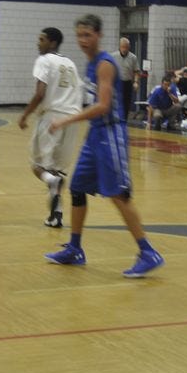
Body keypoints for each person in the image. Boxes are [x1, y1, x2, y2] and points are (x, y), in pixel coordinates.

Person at [45, 14, 165, 278]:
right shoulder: (89, 64)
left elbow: (103, 106)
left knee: (118, 195)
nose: (83, 40)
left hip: (111, 134)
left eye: (87, 35)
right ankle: (75, 249)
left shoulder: (105, 65)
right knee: (77, 188)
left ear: (98, 35)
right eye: (79, 35)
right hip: (95, 135)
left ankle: (148, 252)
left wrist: (65, 120)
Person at [18, 27, 83, 228]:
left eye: (42, 39)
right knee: (58, 171)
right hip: (72, 119)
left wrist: (25, 115)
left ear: (52, 42)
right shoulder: (70, 63)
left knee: (38, 166)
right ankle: (56, 216)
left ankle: (50, 181)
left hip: (52, 117)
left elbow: (40, 93)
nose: (38, 43)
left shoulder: (44, 60)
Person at [110, 37, 140, 121]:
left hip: (127, 83)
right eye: (123, 47)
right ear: (119, 47)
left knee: (126, 103)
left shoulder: (133, 57)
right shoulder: (113, 56)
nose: (124, 49)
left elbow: (136, 71)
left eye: (126, 47)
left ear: (129, 47)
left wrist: (136, 82)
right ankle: (114, 119)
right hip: (116, 83)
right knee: (116, 102)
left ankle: (124, 120)